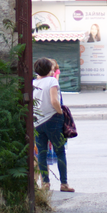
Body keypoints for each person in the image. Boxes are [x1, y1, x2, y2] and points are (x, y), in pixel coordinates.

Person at [33, 57, 74, 192]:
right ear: (48, 69)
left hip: (37, 122)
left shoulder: (33, 83)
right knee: (60, 151)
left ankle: (45, 183)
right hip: (53, 119)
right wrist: (60, 113)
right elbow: (54, 101)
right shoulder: (52, 81)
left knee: (41, 153)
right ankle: (64, 184)